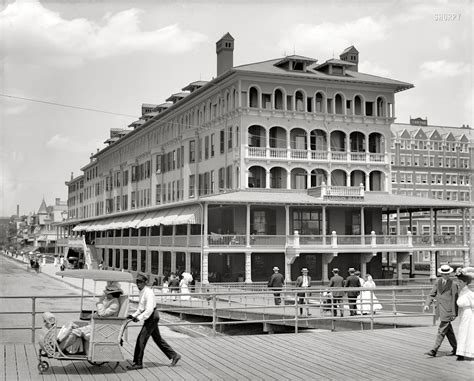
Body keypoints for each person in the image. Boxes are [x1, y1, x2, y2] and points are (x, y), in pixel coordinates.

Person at [127, 272, 181, 370]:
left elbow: (149, 309)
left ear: (145, 283)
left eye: (140, 282)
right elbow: (140, 308)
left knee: (141, 339)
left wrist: (139, 318)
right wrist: (132, 315)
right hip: (149, 317)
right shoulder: (142, 292)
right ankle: (174, 355)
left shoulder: (149, 292)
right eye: (137, 282)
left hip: (152, 317)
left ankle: (138, 363)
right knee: (158, 339)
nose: (138, 284)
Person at [58, 284, 123, 354]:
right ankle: (59, 344)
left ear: (111, 294)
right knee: (71, 325)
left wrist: (99, 303)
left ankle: (60, 349)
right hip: (99, 325)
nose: (104, 294)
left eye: (106, 293)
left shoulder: (114, 305)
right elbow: (101, 313)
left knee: (74, 332)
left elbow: (102, 314)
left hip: (101, 327)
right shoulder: (110, 301)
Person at [423, 264, 458, 357]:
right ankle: (456, 349)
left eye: (448, 274)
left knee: (441, 330)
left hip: (448, 311)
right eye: (444, 274)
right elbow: (431, 294)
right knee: (448, 331)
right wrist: (427, 304)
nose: (446, 275)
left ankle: (434, 349)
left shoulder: (453, 284)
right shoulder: (437, 282)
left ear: (450, 274)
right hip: (440, 309)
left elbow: (455, 299)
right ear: (441, 274)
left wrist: (454, 313)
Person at [454, 272, 473, 361]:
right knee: (462, 332)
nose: (458, 283)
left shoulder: (470, 293)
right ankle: (461, 352)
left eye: (460, 281)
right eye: (458, 281)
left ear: (465, 282)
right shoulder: (461, 292)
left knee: (468, 332)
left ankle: (467, 352)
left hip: (469, 314)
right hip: (463, 314)